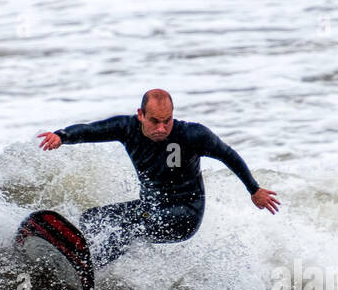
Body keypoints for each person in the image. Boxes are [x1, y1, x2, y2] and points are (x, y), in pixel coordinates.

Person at [37, 89, 278, 266]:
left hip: (185, 215)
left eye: (167, 121)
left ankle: (91, 266)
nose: (162, 128)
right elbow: (91, 130)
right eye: (154, 121)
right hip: (150, 207)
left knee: (129, 227)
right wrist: (61, 136)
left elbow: (229, 155)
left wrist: (254, 190)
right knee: (93, 217)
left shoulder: (193, 134)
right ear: (141, 115)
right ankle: (78, 255)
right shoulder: (126, 127)